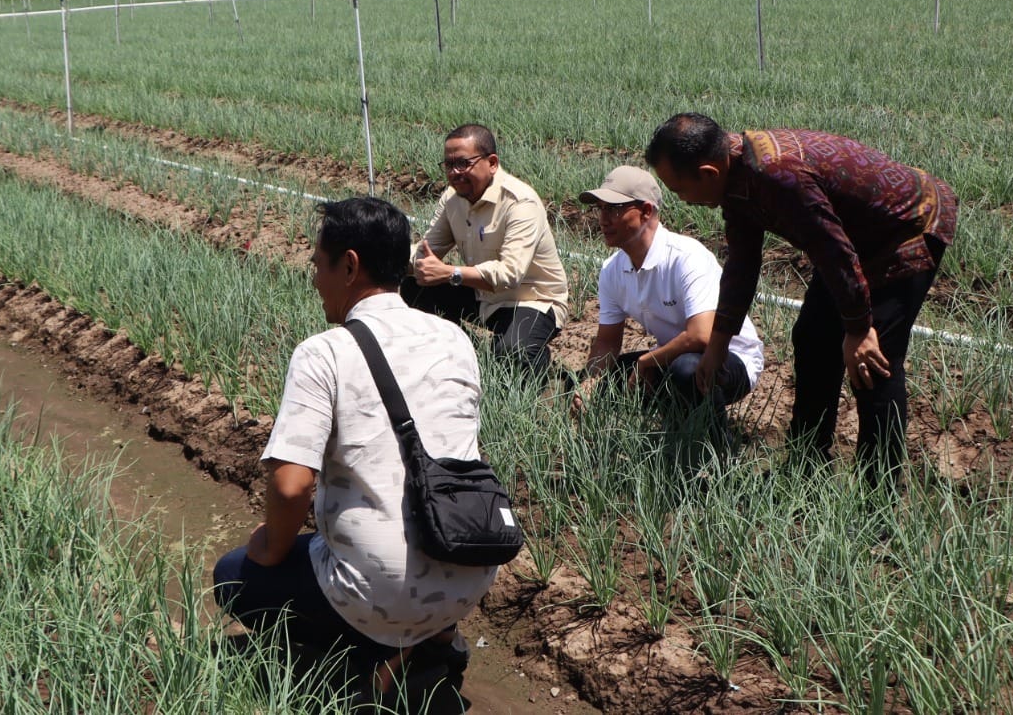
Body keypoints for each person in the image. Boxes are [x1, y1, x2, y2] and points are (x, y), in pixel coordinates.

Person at [213, 197, 495, 707]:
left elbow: (291, 486)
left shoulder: (323, 353)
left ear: (349, 266)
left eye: (318, 265)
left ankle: (362, 658)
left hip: (376, 590)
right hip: (469, 567)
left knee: (233, 577)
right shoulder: (455, 339)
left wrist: (270, 547)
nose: (314, 279)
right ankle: (431, 642)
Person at [644, 113, 957, 481]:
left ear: (708, 173)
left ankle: (878, 490)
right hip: (850, 237)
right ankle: (807, 465)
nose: (682, 200)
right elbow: (742, 267)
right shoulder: (735, 176)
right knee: (813, 337)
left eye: (680, 190)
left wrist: (858, 329)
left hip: (904, 227)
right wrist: (717, 345)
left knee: (873, 362)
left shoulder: (777, 177)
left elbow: (833, 250)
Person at [571, 165, 764, 423]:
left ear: (646, 211)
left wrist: (648, 361)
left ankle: (715, 442)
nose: (603, 219)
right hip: (672, 356)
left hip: (729, 358)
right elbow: (607, 342)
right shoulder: (612, 270)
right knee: (607, 378)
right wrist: (590, 382)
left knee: (686, 371)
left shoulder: (686, 257)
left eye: (614, 209)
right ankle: (668, 429)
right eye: (601, 208)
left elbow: (701, 336)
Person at [404, 123, 570, 376]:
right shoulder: (453, 199)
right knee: (415, 286)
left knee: (513, 353)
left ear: (492, 163)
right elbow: (427, 252)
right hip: (482, 295)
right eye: (449, 165)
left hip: (531, 300)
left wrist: (450, 273)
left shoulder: (520, 203)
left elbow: (509, 274)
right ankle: (461, 353)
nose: (455, 172)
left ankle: (538, 367)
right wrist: (381, 257)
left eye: (463, 163)